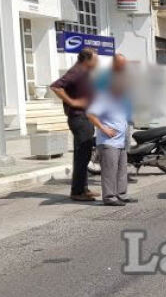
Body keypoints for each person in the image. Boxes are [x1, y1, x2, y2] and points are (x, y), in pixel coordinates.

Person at [51, 48, 99, 201]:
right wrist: (71, 101)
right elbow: (56, 86)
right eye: (95, 58)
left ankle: (82, 188)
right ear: (87, 59)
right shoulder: (77, 71)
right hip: (79, 118)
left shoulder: (84, 72)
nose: (97, 61)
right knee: (81, 155)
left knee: (84, 155)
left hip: (86, 118)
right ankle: (77, 192)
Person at [87, 68, 135, 207]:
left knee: (121, 171)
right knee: (109, 172)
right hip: (108, 142)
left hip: (121, 142)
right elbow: (91, 114)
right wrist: (104, 129)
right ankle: (109, 197)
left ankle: (122, 195)